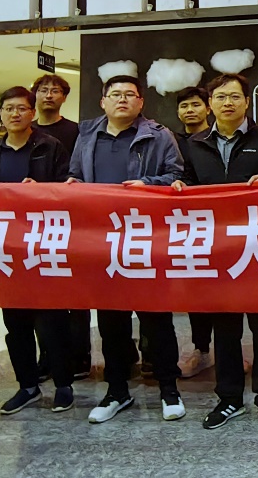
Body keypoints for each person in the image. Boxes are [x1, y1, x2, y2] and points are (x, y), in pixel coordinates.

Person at [173, 73, 258, 430]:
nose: (228, 103)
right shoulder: (195, 144)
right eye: (221, 97)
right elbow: (189, 181)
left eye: (235, 96)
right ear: (211, 104)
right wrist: (180, 185)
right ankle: (229, 399)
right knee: (224, 330)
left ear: (247, 102)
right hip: (216, 251)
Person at [66, 75, 185, 424]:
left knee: (156, 320)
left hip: (146, 240)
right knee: (110, 323)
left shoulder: (159, 135)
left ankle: (169, 389)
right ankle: (117, 391)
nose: (122, 100)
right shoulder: (87, 135)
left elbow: (177, 176)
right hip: (102, 243)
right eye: (115, 94)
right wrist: (73, 184)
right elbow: (76, 174)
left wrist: (147, 184)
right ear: (102, 101)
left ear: (140, 102)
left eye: (129, 94)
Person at [0, 88, 78, 419]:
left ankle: (63, 385)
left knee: (52, 323)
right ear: (1, 114)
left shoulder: (50, 146)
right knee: (15, 324)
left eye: (21, 108)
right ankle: (27, 385)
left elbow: (69, 189)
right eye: (8, 109)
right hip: (6, 249)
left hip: (43, 244)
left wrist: (41, 192)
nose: (15, 114)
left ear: (32, 113)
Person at [31, 73, 89, 378]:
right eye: (43, 90)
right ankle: (49, 356)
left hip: (71, 222)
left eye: (55, 90)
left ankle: (79, 356)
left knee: (76, 293)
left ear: (64, 97)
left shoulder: (77, 132)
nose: (49, 95)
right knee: (43, 295)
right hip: (33, 226)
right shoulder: (26, 130)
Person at [172, 85, 216, 379]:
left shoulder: (216, 139)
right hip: (188, 227)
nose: (190, 110)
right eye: (184, 106)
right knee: (197, 290)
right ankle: (202, 349)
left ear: (207, 108)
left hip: (224, 225)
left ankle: (229, 350)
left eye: (196, 105)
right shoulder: (172, 141)